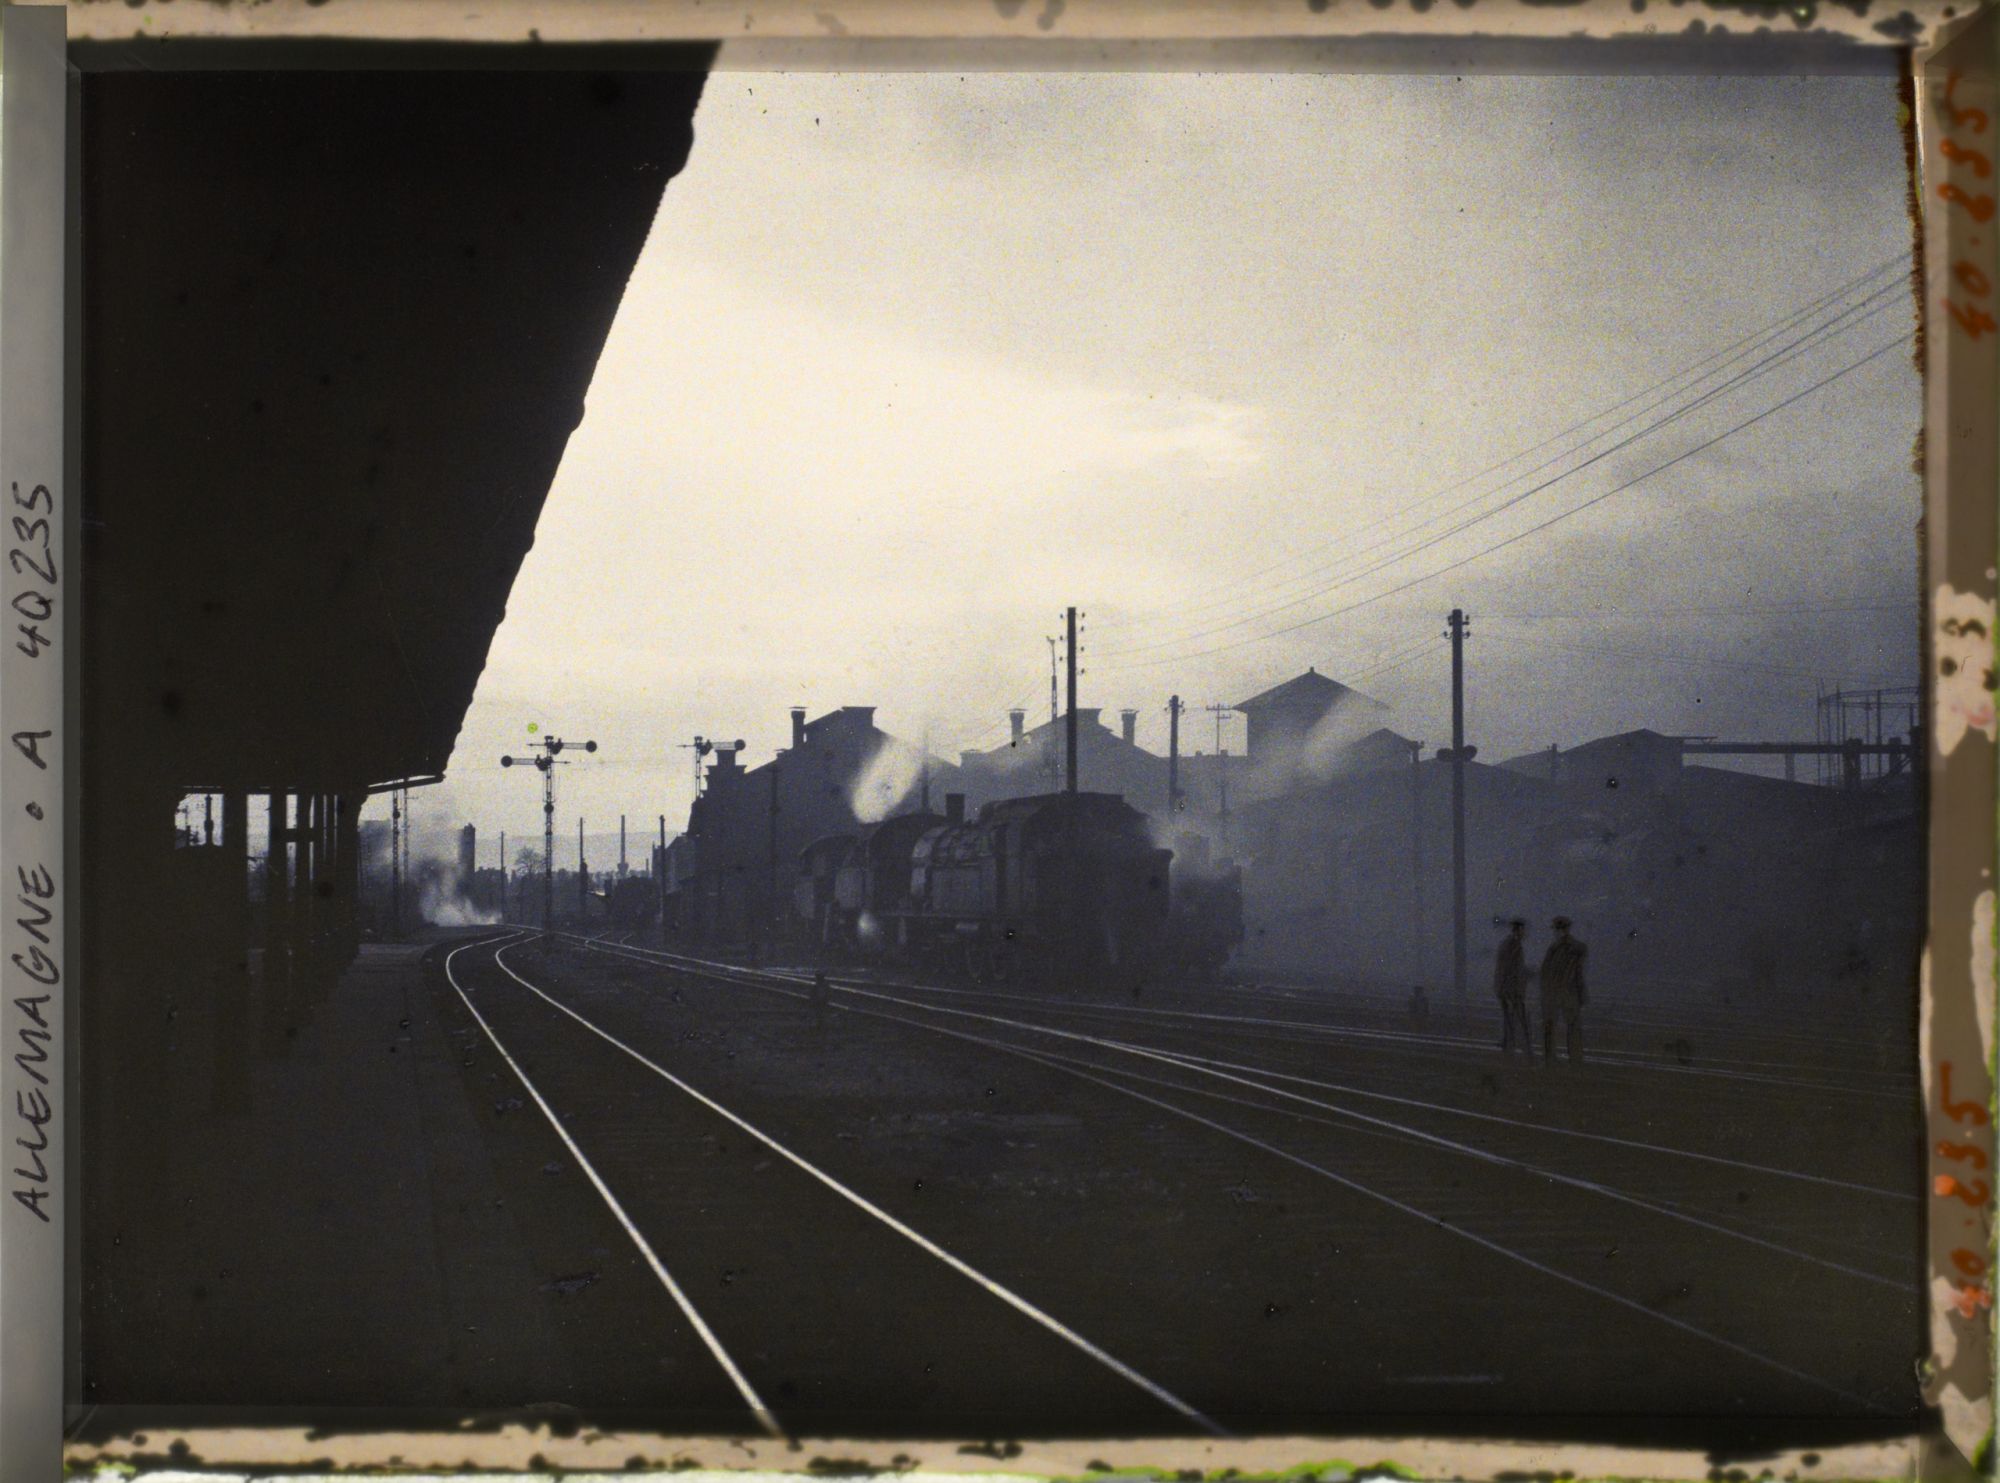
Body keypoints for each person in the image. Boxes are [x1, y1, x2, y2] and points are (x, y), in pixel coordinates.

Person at [1539, 916, 1588, 1065]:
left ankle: (1551, 1058)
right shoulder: (1578, 948)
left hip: (1557, 993)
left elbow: (1546, 971)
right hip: (1568, 993)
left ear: (1560, 930)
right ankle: (1574, 1058)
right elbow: (1578, 973)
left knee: (1552, 1026)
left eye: (1555, 929)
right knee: (1572, 1026)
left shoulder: (1557, 948)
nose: (1554, 932)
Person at [1494, 918, 1532, 1055]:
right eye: (1523, 930)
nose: (1525, 933)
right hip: (1511, 989)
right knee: (1519, 1018)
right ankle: (1522, 1047)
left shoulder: (1508, 944)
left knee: (1511, 1018)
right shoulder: (1513, 945)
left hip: (1507, 988)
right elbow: (1511, 968)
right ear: (1519, 930)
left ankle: (1509, 1044)